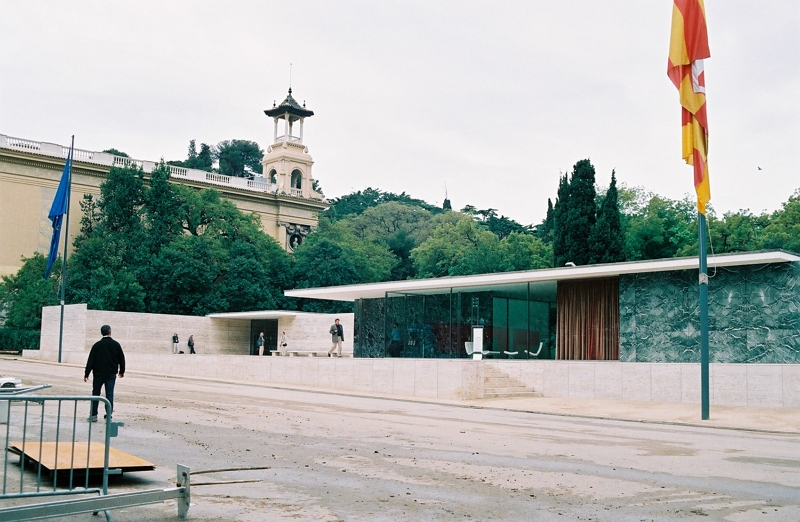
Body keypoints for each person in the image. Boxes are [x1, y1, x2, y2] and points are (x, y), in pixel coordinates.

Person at [84, 324, 125, 422]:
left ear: (101, 333)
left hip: (98, 373)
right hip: (111, 374)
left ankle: (93, 415)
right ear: (110, 332)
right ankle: (108, 416)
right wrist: (121, 371)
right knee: (109, 394)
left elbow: (91, 360)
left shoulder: (97, 345)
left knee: (96, 393)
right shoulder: (116, 344)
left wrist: (86, 374)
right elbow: (122, 359)